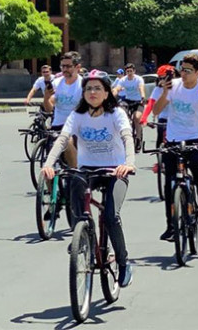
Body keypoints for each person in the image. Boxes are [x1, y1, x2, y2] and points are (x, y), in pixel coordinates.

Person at [42, 70, 136, 287]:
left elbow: (127, 137)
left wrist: (128, 163)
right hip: (88, 170)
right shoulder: (77, 115)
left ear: (106, 93)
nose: (92, 92)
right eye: (88, 89)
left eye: (97, 88)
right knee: (74, 184)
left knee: (111, 216)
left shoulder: (116, 114)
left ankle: (123, 263)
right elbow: (63, 139)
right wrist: (48, 164)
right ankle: (82, 236)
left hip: (115, 171)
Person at [152, 53, 198, 239]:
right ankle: (171, 225)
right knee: (169, 182)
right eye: (182, 69)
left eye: (188, 71)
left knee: (197, 168)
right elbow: (156, 110)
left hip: (195, 137)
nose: (183, 74)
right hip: (173, 138)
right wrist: (164, 93)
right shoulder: (173, 86)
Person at [43, 51, 85, 168]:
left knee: (68, 142)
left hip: (77, 126)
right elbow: (49, 108)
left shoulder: (84, 85)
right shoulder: (56, 83)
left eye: (68, 66)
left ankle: (74, 174)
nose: (64, 69)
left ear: (78, 67)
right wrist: (46, 97)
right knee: (48, 166)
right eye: (62, 66)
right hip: (58, 125)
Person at [113, 63, 147, 141]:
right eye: (128, 71)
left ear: (134, 71)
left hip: (138, 100)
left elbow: (141, 88)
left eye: (131, 71)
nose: (129, 73)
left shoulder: (138, 79)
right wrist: (112, 95)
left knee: (137, 117)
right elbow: (117, 89)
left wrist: (143, 97)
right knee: (122, 112)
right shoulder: (123, 80)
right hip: (127, 100)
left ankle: (138, 137)